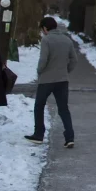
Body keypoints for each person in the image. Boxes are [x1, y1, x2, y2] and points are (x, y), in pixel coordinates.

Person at [26, 17, 76, 148]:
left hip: (46, 80)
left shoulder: (46, 40)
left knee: (39, 106)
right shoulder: (67, 40)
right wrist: (66, 70)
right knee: (63, 108)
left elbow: (43, 59)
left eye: (42, 30)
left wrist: (39, 71)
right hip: (62, 80)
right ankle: (70, 137)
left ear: (45, 28)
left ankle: (38, 134)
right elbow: (74, 60)